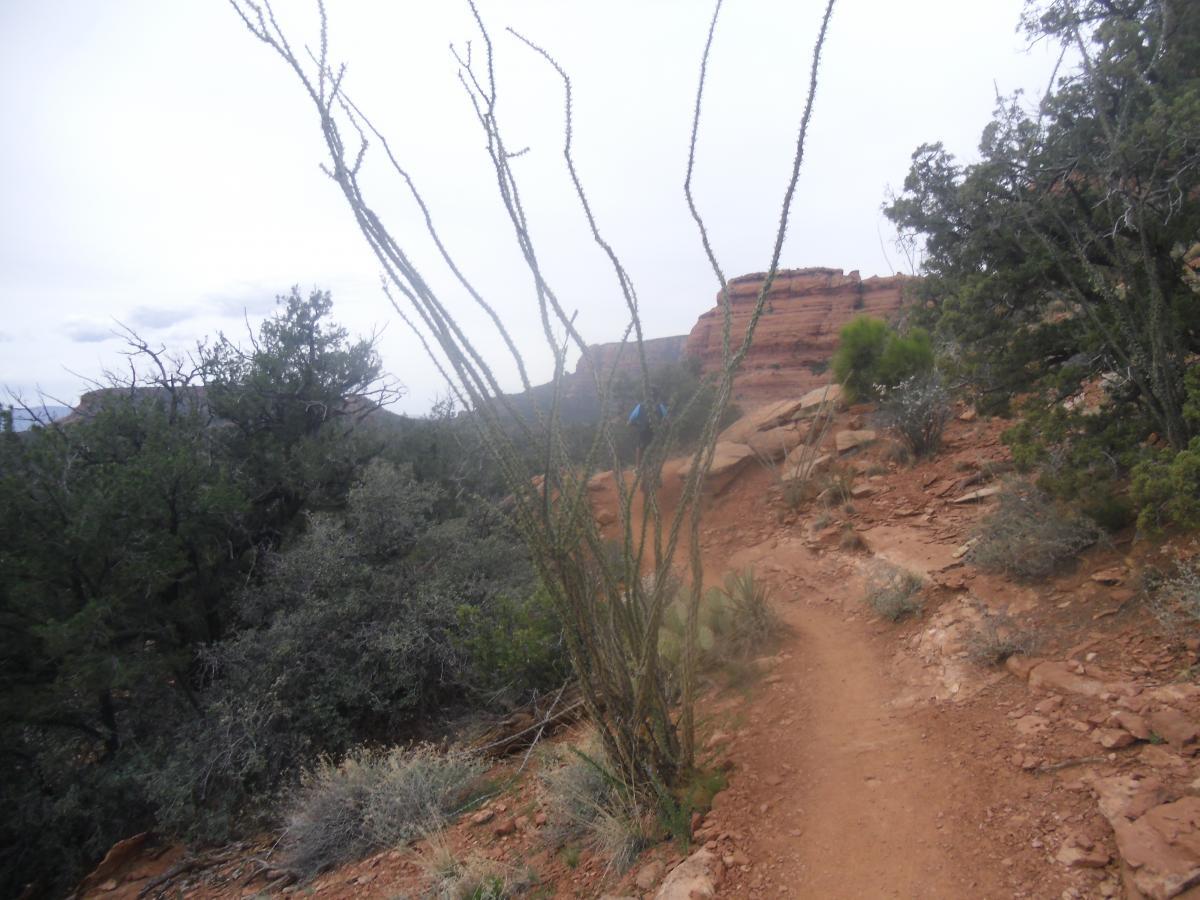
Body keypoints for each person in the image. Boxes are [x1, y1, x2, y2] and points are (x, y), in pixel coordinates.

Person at [628, 387, 668, 469]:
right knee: (658, 447)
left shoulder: (640, 407)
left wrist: (637, 425)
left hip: (644, 433)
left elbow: (630, 421)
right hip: (657, 433)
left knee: (639, 447)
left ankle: (637, 467)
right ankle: (657, 466)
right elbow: (667, 421)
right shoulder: (660, 407)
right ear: (656, 397)